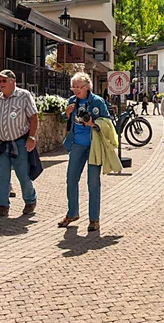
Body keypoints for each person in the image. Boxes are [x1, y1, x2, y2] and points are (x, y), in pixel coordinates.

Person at [0, 69, 39, 218]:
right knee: (1, 176)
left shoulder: (24, 96)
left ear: (12, 82)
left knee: (23, 174)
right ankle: (2, 205)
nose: (0, 84)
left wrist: (32, 137)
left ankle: (30, 200)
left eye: (3, 81)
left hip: (20, 143)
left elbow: (34, 117)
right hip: (1, 144)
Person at [61, 72, 110, 231]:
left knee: (93, 182)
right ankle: (72, 213)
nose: (75, 90)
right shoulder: (72, 101)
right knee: (71, 179)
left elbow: (108, 122)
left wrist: (93, 124)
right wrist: (67, 113)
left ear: (87, 86)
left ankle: (94, 219)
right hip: (76, 144)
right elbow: (64, 118)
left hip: (93, 145)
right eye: (73, 87)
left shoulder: (97, 101)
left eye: (78, 87)